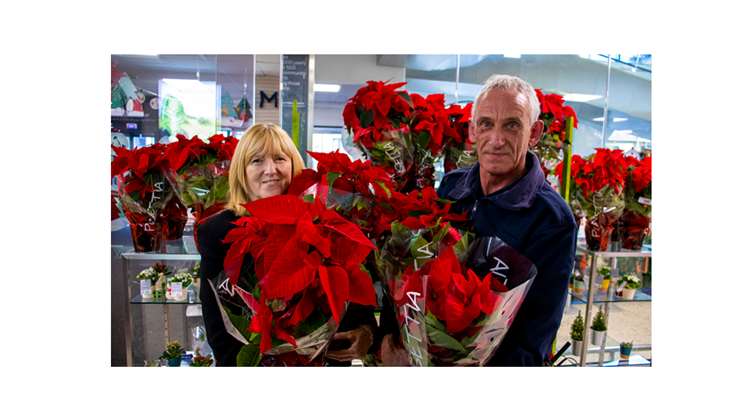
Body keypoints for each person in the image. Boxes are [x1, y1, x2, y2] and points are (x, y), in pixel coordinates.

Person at [380, 75, 578, 366]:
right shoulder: (450, 187)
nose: (496, 140)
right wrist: (389, 335)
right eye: (486, 124)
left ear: (534, 133)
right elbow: (407, 269)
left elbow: (533, 336)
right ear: (472, 130)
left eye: (512, 125)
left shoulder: (553, 219)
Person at [197, 123, 378, 366]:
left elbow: (355, 300)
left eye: (280, 158)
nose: (271, 169)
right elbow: (219, 326)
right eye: (257, 160)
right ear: (241, 171)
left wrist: (367, 332)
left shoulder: (322, 219)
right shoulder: (217, 232)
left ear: (293, 165)